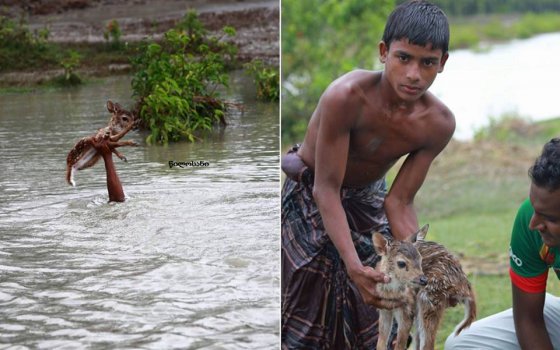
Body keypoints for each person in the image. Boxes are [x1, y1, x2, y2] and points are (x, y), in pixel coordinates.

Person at [281, 1, 454, 348]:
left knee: (380, 315)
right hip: (311, 198)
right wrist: (352, 264)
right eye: (403, 57)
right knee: (302, 320)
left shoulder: (437, 123)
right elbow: (326, 189)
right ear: (383, 52)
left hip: (367, 203)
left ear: (443, 64)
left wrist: (428, 269)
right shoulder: (346, 97)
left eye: (427, 62)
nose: (413, 74)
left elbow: (400, 201)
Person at [445, 139, 560, 350]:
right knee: (461, 344)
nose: (534, 224)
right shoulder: (531, 219)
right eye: (534, 209)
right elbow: (528, 320)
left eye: (551, 219)